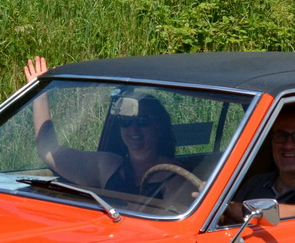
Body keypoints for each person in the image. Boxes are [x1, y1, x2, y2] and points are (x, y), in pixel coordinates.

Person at [22, 56, 178, 196]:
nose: (133, 129)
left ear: (159, 127)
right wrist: (40, 93)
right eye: (126, 121)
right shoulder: (108, 166)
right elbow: (48, 151)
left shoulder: (177, 176)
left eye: (143, 121)